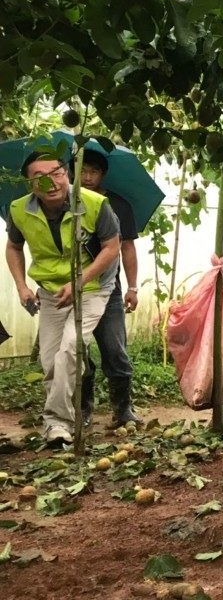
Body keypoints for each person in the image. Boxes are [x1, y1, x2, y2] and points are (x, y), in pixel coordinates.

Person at [5, 151, 120, 445]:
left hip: (92, 287)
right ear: (30, 184)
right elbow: (14, 247)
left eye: (57, 173)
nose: (51, 182)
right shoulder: (18, 210)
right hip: (50, 290)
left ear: (67, 173)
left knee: (70, 347)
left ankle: (57, 423)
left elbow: (111, 248)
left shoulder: (93, 204)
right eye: (39, 178)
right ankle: (70, 403)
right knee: (51, 359)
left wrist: (79, 282)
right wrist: (22, 287)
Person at [76, 150, 142, 427]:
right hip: (72, 292)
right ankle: (83, 410)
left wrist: (133, 287)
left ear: (102, 174)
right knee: (79, 351)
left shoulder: (117, 205)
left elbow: (127, 247)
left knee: (115, 350)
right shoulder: (61, 203)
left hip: (109, 290)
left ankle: (122, 409)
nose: (87, 177)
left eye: (93, 171)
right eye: (82, 170)